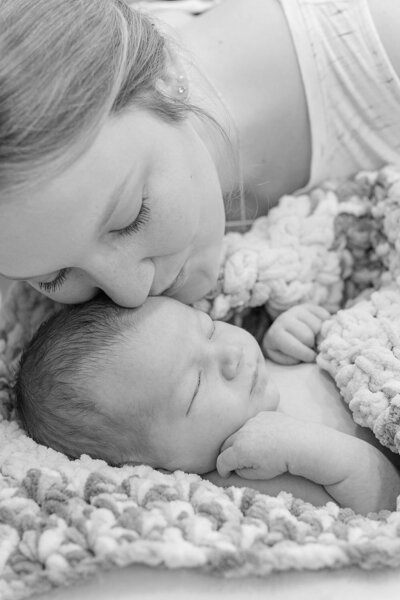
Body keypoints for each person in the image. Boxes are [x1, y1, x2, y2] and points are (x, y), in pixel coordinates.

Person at [0, 0, 400, 308]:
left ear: (166, 78)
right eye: (53, 277)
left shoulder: (379, 42)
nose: (131, 294)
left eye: (130, 218)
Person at [15, 296, 400, 515]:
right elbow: (382, 502)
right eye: (197, 384)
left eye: (210, 327)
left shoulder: (254, 371)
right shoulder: (244, 479)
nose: (231, 355)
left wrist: (289, 336)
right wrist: (309, 449)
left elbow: (331, 345)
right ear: (152, 465)